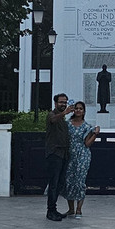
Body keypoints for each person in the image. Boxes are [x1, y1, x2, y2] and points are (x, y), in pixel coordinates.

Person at [65, 101, 99, 218]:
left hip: (82, 155)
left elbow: (87, 143)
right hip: (70, 155)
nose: (78, 110)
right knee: (69, 181)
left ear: (84, 111)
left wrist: (95, 134)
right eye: (77, 108)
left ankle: (79, 209)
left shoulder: (87, 127)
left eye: (81, 109)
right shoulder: (67, 124)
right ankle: (71, 208)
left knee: (79, 181)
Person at [44, 93, 71, 221]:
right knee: (53, 184)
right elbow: (53, 120)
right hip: (54, 153)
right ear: (55, 103)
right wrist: (64, 113)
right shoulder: (52, 115)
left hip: (63, 154)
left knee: (59, 184)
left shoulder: (63, 119)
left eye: (65, 102)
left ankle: (54, 209)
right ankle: (50, 211)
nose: (63, 104)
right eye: (61, 102)